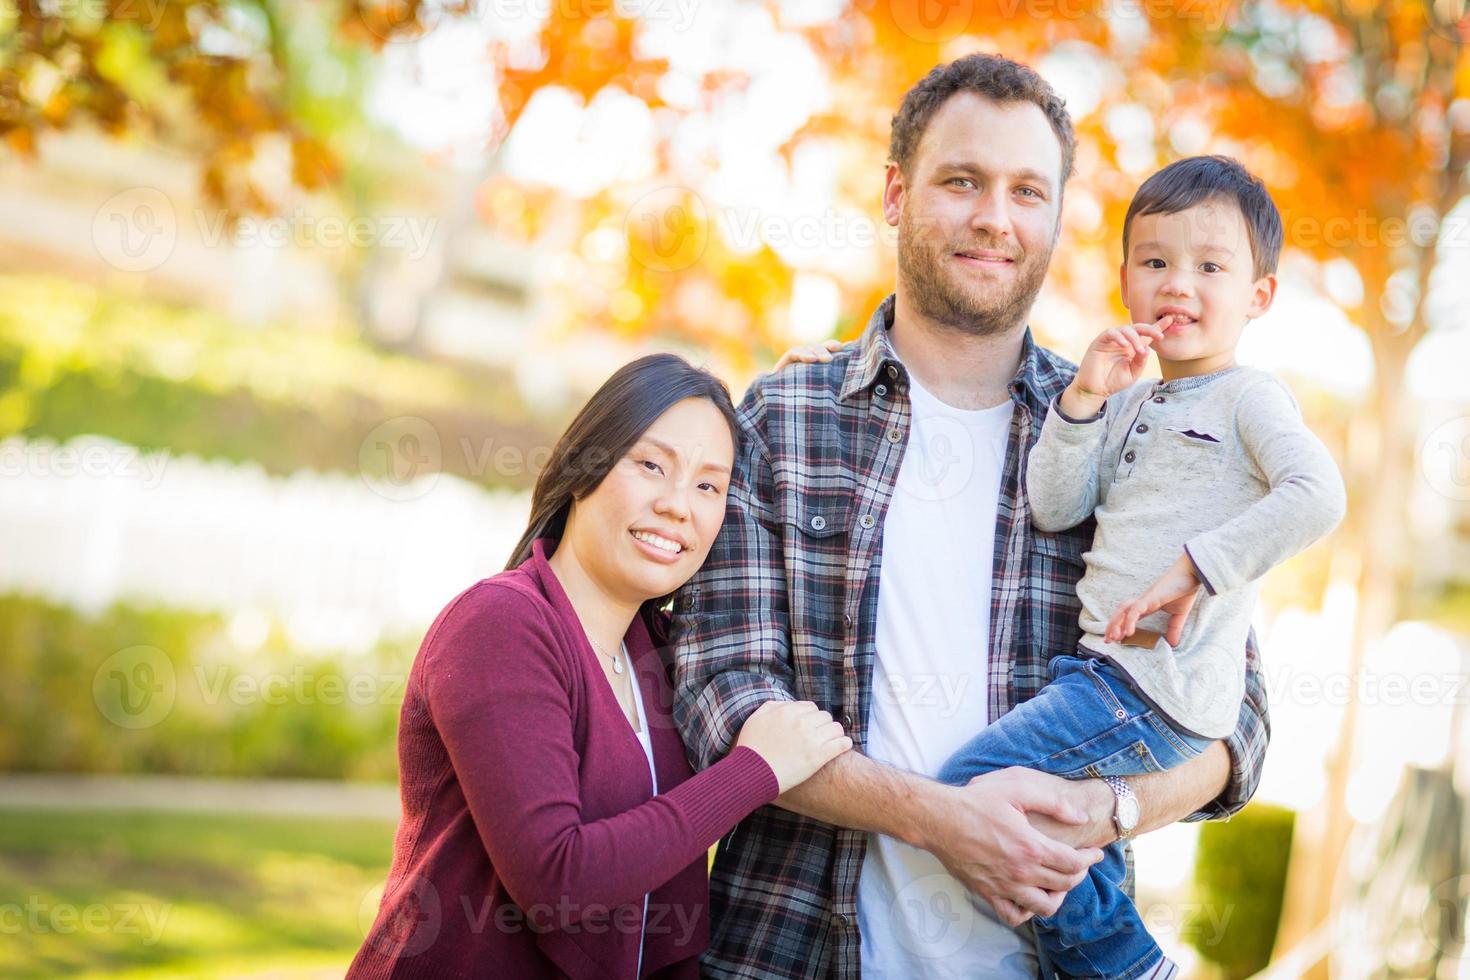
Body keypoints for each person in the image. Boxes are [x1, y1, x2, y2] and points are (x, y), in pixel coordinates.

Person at [672, 53, 1274, 980]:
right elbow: (723, 695)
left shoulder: (1126, 429)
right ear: (895, 194)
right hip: (796, 950)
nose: (996, 217)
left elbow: (1236, 723)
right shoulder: (783, 419)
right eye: (962, 181)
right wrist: (940, 817)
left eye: (1027, 191)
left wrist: (1111, 809)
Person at [933, 155, 1346, 978]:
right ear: (1125, 277)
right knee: (1072, 845)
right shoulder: (1124, 400)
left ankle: (1128, 963)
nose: (1178, 285)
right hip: (1100, 671)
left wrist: (1201, 565)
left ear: (1258, 296)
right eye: (1156, 262)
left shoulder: (1249, 399)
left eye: (1210, 267)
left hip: (1153, 685)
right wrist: (1084, 401)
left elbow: (1319, 494)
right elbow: (1053, 505)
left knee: (971, 783)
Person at [349, 353, 853, 979]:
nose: (679, 506)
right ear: (583, 467)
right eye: (651, 465)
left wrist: (801, 391)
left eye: (708, 485)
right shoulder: (501, 626)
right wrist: (755, 772)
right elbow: (556, 880)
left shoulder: (668, 657)